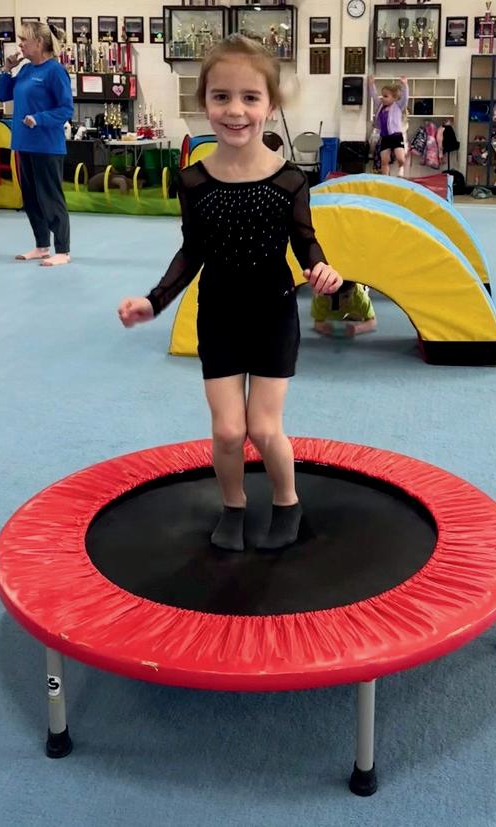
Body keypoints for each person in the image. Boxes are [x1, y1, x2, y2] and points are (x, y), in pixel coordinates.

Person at [118, 35, 342, 552]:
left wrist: (322, 269)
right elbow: (191, 252)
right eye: (221, 97)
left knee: (263, 429)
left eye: (249, 97)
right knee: (225, 432)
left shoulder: (288, 180)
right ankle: (234, 504)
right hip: (218, 315)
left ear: (271, 104)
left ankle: (287, 500)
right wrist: (154, 301)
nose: (235, 110)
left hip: (273, 315)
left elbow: (306, 242)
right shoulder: (193, 181)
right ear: (204, 102)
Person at [0, 21, 74, 266]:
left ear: (39, 43)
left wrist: (39, 119)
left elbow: (66, 109)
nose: (20, 44)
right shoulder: (26, 70)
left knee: (50, 198)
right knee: (30, 199)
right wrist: (6, 70)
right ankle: (42, 246)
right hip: (23, 144)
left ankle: (63, 251)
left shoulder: (55, 71)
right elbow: (3, 95)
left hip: (47, 145)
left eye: (24, 40)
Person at [368, 76, 409, 177]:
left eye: (386, 96)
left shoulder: (398, 106)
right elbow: (374, 96)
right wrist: (371, 84)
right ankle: (385, 178)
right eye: (383, 96)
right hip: (385, 137)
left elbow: (405, 98)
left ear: (394, 98)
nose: (383, 98)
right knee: (384, 161)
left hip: (396, 136)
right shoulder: (380, 106)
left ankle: (401, 168)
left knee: (400, 158)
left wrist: (405, 84)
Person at [311, 281, 376, 338]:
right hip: (332, 301)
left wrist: (356, 329)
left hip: (355, 298)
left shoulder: (360, 296)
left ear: (353, 289)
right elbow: (318, 323)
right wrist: (324, 328)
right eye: (335, 297)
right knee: (333, 317)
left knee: (358, 317)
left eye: (346, 296)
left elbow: (372, 322)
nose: (341, 303)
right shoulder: (321, 297)